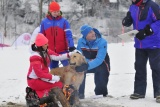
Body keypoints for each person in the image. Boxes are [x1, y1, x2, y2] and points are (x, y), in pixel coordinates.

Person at [122, 0, 160, 103]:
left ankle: (159, 93)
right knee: (139, 67)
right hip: (140, 44)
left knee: (156, 68)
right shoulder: (133, 7)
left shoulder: (152, 6)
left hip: (154, 43)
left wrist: (148, 30)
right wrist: (127, 20)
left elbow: (159, 21)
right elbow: (131, 19)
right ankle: (139, 91)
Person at [27, 33, 76, 99]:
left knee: (59, 83)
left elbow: (57, 56)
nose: (47, 45)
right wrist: (53, 77)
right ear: (40, 45)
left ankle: (40, 95)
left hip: (43, 78)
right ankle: (39, 96)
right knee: (58, 84)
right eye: (45, 44)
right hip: (34, 81)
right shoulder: (35, 57)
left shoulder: (46, 51)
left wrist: (71, 54)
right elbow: (39, 74)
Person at [76, 24, 110, 99]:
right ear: (85, 36)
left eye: (93, 31)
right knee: (79, 69)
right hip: (87, 61)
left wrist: (87, 65)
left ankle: (101, 93)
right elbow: (80, 56)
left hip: (102, 63)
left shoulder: (102, 42)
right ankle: (80, 94)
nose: (93, 33)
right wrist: (84, 65)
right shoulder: (80, 42)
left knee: (101, 71)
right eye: (90, 32)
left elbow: (99, 59)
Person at [40, 1, 75, 69]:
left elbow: (68, 34)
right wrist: (41, 47)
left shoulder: (64, 21)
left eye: (58, 11)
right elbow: (41, 36)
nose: (56, 13)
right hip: (50, 52)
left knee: (69, 69)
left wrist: (71, 46)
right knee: (54, 72)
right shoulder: (44, 22)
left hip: (63, 50)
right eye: (54, 12)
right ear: (50, 11)